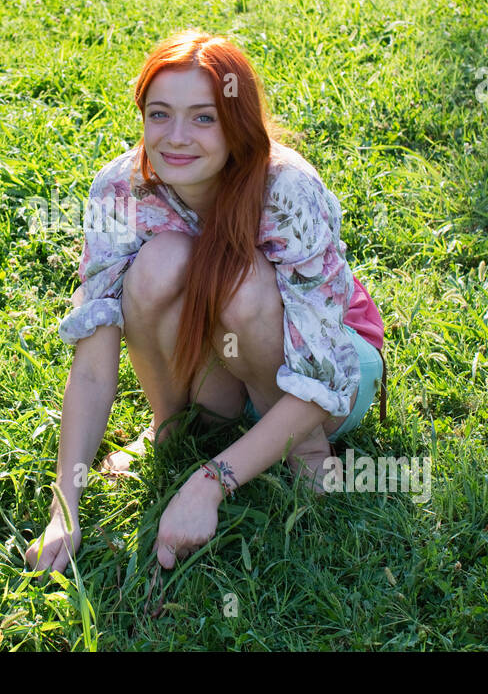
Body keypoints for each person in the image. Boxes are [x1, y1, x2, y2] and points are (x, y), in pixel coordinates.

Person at [24, 29, 386, 576]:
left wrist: (211, 482)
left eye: (203, 117)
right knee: (162, 262)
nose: (175, 138)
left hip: (329, 371)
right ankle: (177, 426)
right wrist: (64, 508)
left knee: (237, 279)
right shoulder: (121, 190)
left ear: (236, 125)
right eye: (159, 114)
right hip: (228, 357)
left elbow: (325, 370)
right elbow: (96, 364)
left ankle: (306, 452)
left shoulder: (286, 189)